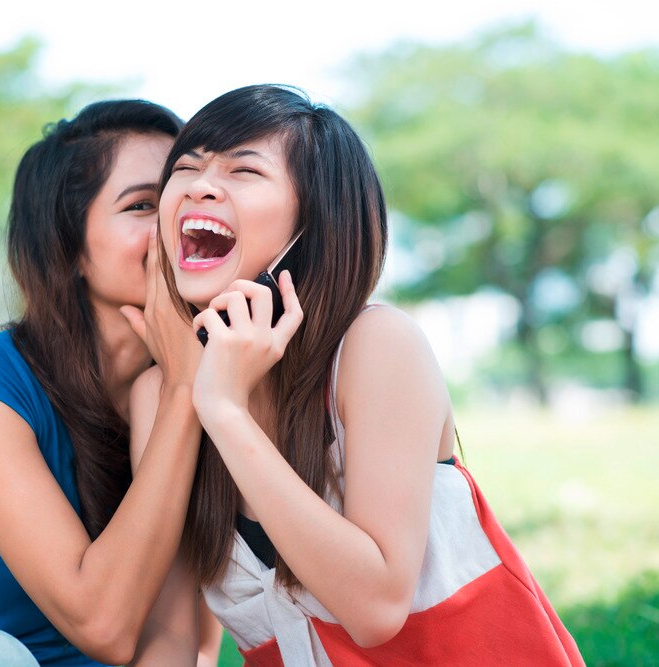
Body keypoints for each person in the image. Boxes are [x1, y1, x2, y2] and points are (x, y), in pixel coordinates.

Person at [129, 85, 584, 665]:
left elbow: (375, 610)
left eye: (244, 170)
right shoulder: (159, 397)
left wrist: (223, 410)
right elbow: (171, 637)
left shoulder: (375, 347)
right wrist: (192, 391)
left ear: (313, 225)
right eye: (186, 168)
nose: (199, 185)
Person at [0, 99, 213, 666]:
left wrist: (184, 392)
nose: (176, 220)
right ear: (69, 247)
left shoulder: (183, 397)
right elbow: (101, 626)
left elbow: (179, 643)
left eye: (179, 197)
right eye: (143, 204)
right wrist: (183, 394)